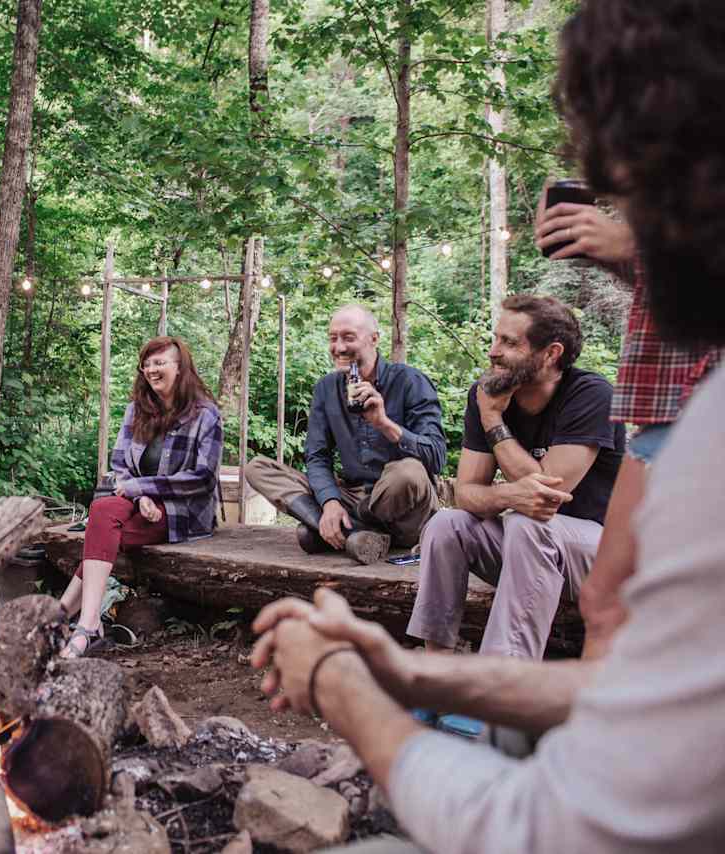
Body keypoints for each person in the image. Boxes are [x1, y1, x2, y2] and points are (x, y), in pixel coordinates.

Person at [252, 3, 725, 851]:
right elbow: (448, 492)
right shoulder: (701, 422)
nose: (628, 236)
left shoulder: (632, 412)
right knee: (429, 515)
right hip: (412, 514)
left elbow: (499, 484)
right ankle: (428, 644)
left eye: (640, 190)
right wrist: (408, 668)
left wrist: (340, 683)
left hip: (524, 528)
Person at [534, 198, 719, 658]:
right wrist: (619, 257)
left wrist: (640, 247)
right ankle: (599, 727)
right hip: (662, 406)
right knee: (607, 600)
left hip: (709, 410)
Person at [407, 295, 624, 660]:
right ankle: (437, 668)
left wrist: (493, 422)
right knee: (447, 524)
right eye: (495, 339)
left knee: (529, 525)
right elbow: (466, 494)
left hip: (600, 555)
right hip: (527, 551)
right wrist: (508, 497)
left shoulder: (591, 395)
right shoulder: (486, 393)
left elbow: (548, 496)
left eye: (509, 343)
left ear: (551, 353)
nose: (493, 352)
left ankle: (501, 681)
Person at [59, 336, 222, 658]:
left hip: (181, 511)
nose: (151, 369)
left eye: (159, 362)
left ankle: (63, 616)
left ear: (180, 367)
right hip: (138, 503)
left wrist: (145, 489)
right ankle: (87, 624)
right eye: (146, 364)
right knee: (104, 511)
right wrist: (138, 497)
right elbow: (120, 468)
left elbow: (203, 479)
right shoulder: (136, 410)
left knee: (104, 531)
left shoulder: (206, 414)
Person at [245, 305, 445, 564]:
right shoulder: (326, 388)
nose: (339, 347)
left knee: (406, 472)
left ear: (374, 339)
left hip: (404, 510)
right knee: (257, 468)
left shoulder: (410, 381)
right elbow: (317, 456)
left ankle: (335, 528)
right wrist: (329, 502)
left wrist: (385, 424)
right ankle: (352, 531)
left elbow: (437, 457)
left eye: (348, 337)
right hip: (352, 495)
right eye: (333, 338)